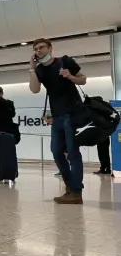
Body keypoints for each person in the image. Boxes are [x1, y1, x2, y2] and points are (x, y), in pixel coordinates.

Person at [29, 38, 86, 204]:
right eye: (36, 49)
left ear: (50, 48)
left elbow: (83, 79)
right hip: (57, 117)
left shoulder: (65, 61)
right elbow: (34, 89)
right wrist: (31, 69)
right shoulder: (40, 70)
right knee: (56, 151)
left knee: (73, 153)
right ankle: (70, 188)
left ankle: (76, 191)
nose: (38, 51)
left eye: (41, 47)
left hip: (72, 113)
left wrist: (70, 76)